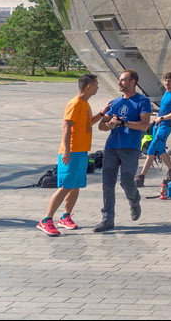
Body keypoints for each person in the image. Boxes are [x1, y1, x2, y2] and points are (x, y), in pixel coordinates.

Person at [38, 73, 104, 236]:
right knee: (65, 186)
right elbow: (66, 127)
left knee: (75, 186)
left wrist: (103, 114)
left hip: (82, 152)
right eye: (96, 85)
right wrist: (66, 150)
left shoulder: (85, 104)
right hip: (71, 152)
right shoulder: (75, 104)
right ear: (89, 87)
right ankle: (46, 220)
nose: (97, 87)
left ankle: (65, 217)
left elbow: (88, 124)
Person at [94, 70, 151, 232]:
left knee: (126, 181)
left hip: (130, 147)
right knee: (107, 185)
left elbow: (144, 125)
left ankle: (134, 199)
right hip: (111, 147)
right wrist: (110, 125)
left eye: (123, 80)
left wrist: (124, 123)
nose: (119, 83)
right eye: (119, 80)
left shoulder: (142, 101)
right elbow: (101, 126)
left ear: (133, 82)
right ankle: (107, 219)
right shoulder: (115, 103)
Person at [136, 72, 171, 187]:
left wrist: (162, 118)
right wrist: (158, 117)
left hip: (165, 127)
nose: (167, 83)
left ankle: (141, 177)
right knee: (160, 151)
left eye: (170, 81)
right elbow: (164, 109)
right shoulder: (166, 93)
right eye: (165, 80)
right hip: (158, 125)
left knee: (151, 151)